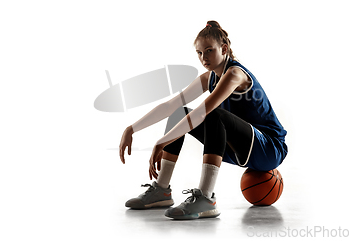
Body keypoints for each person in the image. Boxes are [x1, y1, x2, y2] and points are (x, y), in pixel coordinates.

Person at [119, 21, 287, 220]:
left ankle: (206, 199)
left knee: (212, 113)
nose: (204, 57)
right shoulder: (209, 78)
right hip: (239, 145)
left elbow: (202, 112)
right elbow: (170, 106)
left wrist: (161, 142)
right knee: (179, 113)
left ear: (224, 49)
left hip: (269, 147)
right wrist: (132, 128)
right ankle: (161, 191)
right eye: (199, 53)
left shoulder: (235, 74)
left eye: (209, 50)